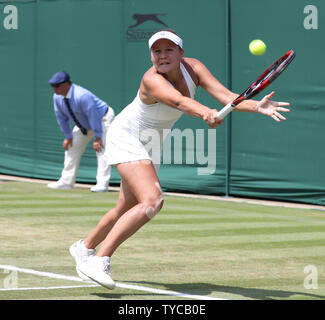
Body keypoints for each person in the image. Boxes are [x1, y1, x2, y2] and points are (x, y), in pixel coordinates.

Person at [69, 30, 291, 289]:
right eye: (157, 51)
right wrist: (206, 113)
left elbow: (226, 96)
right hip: (126, 136)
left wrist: (256, 106)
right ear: (151, 56)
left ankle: (83, 248)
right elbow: (179, 101)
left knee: (127, 206)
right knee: (153, 201)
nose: (162, 55)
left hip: (152, 142)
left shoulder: (194, 67)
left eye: (169, 50)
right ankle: (100, 259)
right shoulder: (151, 79)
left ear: (181, 53)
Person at [47, 71, 115, 192]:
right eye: (53, 86)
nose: (54, 89)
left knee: (101, 149)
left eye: (57, 86)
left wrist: (98, 137)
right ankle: (66, 182)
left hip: (102, 119)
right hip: (83, 123)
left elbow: (93, 115)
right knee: (72, 147)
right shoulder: (56, 97)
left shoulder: (81, 96)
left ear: (66, 84)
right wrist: (68, 136)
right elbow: (61, 117)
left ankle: (102, 184)